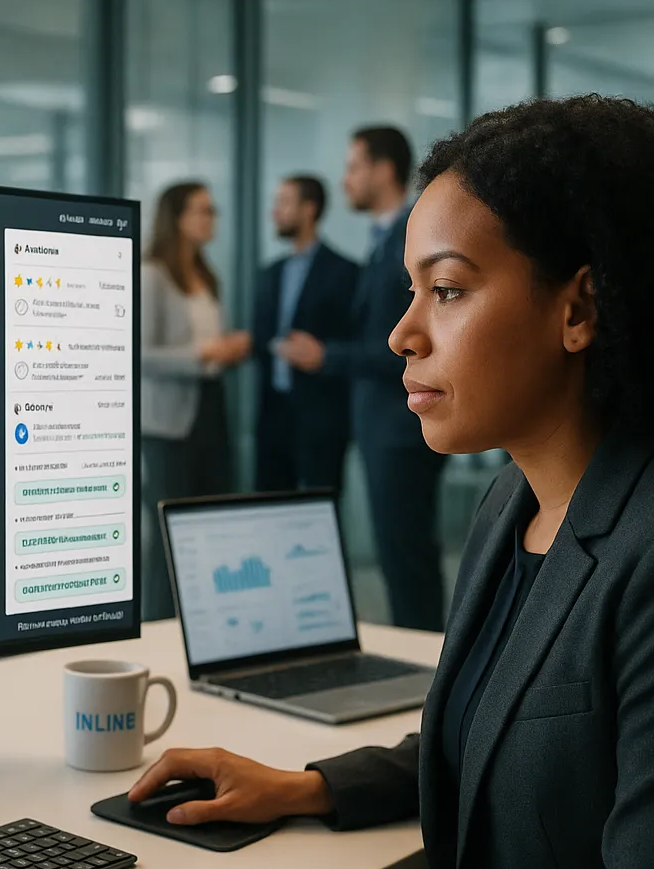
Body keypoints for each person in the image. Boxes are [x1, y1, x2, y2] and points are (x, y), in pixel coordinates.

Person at [132, 96, 654, 869]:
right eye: (409, 290)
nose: (404, 333)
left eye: (449, 289)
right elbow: (507, 730)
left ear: (580, 308)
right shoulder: (515, 499)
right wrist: (306, 787)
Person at [278, 126, 445, 631]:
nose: (345, 179)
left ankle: (425, 681)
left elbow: (403, 345)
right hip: (381, 425)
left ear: (383, 170)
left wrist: (326, 356)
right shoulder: (382, 241)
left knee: (406, 562)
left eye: (354, 166)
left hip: (400, 425)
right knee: (402, 560)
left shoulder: (407, 241)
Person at [140, 182, 249, 620]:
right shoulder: (152, 275)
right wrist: (207, 353)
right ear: (178, 218)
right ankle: (159, 626)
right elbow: (140, 353)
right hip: (167, 423)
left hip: (210, 407)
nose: (212, 219)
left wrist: (226, 351)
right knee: (170, 535)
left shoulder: (205, 276)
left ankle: (203, 623)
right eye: (203, 210)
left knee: (210, 522)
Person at [251, 176, 359, 492]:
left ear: (309, 209)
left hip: (322, 417)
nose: (275, 212)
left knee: (321, 505)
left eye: (284, 202)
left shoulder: (346, 272)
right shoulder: (270, 273)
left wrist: (320, 354)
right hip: (272, 415)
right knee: (268, 504)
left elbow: (355, 343)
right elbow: (261, 338)